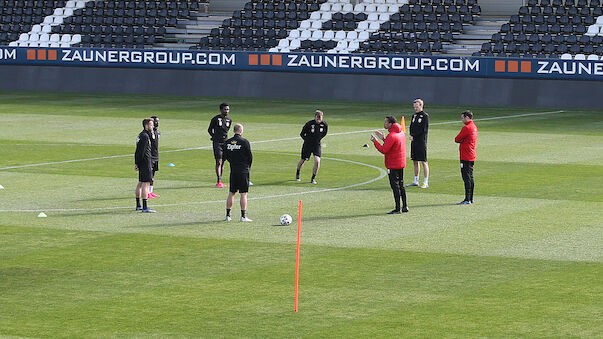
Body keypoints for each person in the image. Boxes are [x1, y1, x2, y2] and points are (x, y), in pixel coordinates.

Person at [371, 116, 409, 214]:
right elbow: (393, 145)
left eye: (386, 122)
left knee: (395, 186)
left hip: (393, 164)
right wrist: (383, 138)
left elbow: (384, 150)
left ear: (390, 124)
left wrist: (375, 141)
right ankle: (405, 206)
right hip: (401, 163)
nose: (384, 124)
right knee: (401, 184)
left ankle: (397, 208)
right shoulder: (400, 133)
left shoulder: (392, 135)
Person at [223, 123, 253, 222]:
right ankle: (243, 216)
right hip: (243, 169)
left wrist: (232, 162)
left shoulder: (227, 142)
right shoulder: (244, 142)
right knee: (243, 193)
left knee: (231, 192)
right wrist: (248, 167)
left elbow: (225, 156)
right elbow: (250, 157)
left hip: (233, 169)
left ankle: (228, 215)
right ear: (241, 131)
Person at [296, 110, 328, 184]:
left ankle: (313, 178)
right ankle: (298, 173)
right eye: (317, 118)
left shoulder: (324, 124)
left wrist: (318, 139)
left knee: (317, 161)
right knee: (303, 160)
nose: (318, 120)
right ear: (315, 117)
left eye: (320, 118)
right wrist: (307, 140)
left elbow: (324, 133)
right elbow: (302, 134)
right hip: (307, 145)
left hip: (317, 145)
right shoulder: (309, 124)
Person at [454, 110, 478, 205]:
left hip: (465, 155)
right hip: (471, 155)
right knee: (470, 177)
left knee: (466, 178)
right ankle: (470, 198)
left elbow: (457, 139)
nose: (462, 120)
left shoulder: (467, 128)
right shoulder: (474, 127)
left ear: (467, 117)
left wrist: (462, 141)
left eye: (463, 118)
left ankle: (467, 199)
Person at [208, 103, 232, 188]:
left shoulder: (229, 120)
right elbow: (210, 129)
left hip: (225, 143)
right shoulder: (215, 119)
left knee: (223, 162)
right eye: (225, 109)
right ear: (221, 110)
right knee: (219, 161)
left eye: (228, 109)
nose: (227, 111)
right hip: (217, 143)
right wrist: (214, 137)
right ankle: (218, 180)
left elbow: (227, 130)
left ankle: (220, 180)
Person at [135, 118, 156, 213]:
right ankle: (145, 207)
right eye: (151, 125)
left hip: (142, 162)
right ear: (146, 125)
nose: (153, 126)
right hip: (145, 162)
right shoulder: (145, 136)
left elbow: (137, 151)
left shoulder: (141, 135)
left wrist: (136, 163)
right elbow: (141, 152)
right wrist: (139, 163)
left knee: (140, 183)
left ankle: (138, 205)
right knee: (145, 184)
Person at [408, 98, 430, 189]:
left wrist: (414, 136)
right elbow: (411, 126)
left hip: (421, 142)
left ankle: (425, 182)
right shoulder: (414, 116)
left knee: (423, 161)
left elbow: (424, 130)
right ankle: (415, 180)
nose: (415, 108)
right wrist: (411, 134)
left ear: (421, 106)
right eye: (414, 107)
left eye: (416, 107)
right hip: (414, 142)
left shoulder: (425, 116)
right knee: (414, 161)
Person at [148, 115, 160, 199]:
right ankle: (147, 192)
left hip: (156, 156)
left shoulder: (158, 132)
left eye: (158, 121)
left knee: (153, 175)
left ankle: (151, 191)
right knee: (150, 176)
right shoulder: (149, 133)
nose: (157, 123)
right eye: (156, 121)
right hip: (150, 156)